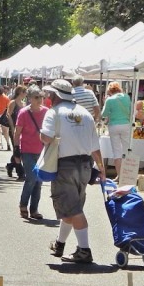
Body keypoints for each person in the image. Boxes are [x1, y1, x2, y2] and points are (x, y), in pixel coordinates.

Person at [41, 79, 104, 264]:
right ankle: (60, 244)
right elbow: (95, 145)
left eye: (49, 94)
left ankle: (84, 250)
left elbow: (45, 137)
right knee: (71, 207)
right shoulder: (85, 113)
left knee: (73, 209)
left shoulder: (54, 112)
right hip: (85, 165)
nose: (47, 97)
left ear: (55, 95)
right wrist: (101, 168)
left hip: (65, 165)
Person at [13, 87, 47, 220]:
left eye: (41, 97)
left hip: (42, 151)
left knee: (39, 181)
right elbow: (17, 133)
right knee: (32, 177)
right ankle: (23, 204)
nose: (39, 100)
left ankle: (34, 209)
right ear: (30, 99)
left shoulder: (46, 112)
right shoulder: (23, 113)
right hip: (27, 150)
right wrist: (16, 149)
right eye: (36, 97)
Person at [100, 82, 133, 178]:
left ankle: (120, 175)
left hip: (114, 125)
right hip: (126, 124)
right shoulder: (126, 97)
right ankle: (128, 176)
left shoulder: (109, 100)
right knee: (127, 150)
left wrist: (105, 102)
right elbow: (131, 110)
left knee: (116, 151)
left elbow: (104, 114)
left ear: (110, 91)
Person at [5, 85, 27, 179]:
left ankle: (10, 166)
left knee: (18, 149)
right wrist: (12, 127)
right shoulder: (13, 102)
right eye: (25, 92)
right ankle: (20, 172)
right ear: (20, 92)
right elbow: (8, 115)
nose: (26, 94)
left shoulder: (23, 103)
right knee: (17, 149)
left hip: (22, 129)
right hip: (14, 128)